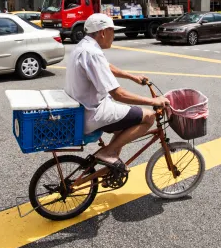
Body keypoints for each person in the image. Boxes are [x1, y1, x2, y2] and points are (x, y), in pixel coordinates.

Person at [64, 13, 170, 172]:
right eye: (112, 31)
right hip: (93, 112)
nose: (114, 36)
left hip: (84, 108)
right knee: (148, 117)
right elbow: (118, 94)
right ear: (102, 32)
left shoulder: (84, 46)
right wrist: (154, 101)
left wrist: (132, 77)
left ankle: (109, 167)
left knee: (125, 122)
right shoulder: (92, 53)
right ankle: (107, 153)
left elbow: (106, 66)